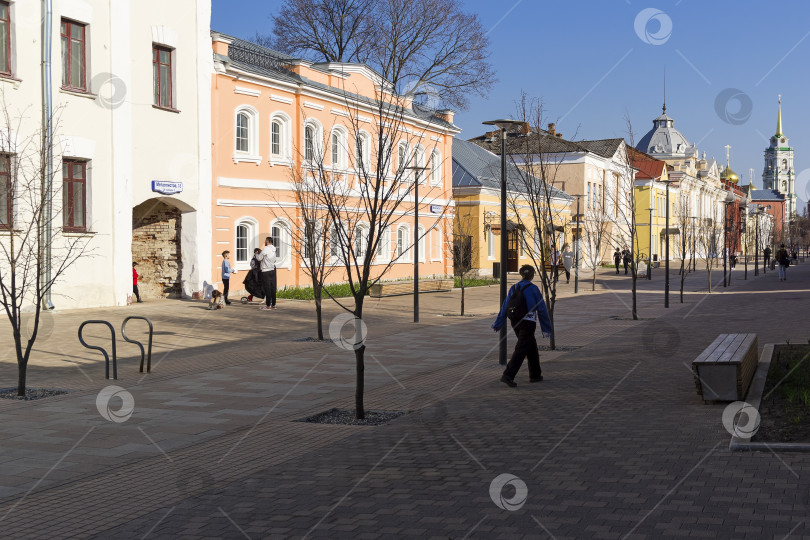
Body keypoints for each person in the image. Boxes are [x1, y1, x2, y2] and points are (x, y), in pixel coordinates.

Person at [492, 264, 553, 387]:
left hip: (515, 321)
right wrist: (546, 328)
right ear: (532, 275)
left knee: (531, 347)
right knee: (521, 349)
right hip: (528, 322)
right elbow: (541, 309)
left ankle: (535, 374)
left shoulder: (514, 288)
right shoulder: (534, 289)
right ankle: (508, 375)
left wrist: (498, 323)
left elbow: (505, 307)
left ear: (521, 274)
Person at [256, 237, 277, 310]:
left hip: (266, 270)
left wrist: (256, 254)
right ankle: (273, 304)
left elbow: (259, 258)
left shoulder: (266, 248)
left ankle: (268, 305)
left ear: (267, 241)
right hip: (272, 269)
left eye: (265, 241)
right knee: (273, 287)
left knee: (267, 288)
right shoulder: (274, 249)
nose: (264, 242)